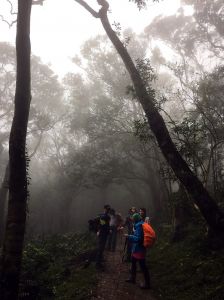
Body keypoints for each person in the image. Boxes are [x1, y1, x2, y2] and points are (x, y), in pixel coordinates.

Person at [124, 213, 150, 289]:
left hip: (139, 249)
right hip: (137, 249)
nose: (132, 221)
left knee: (143, 267)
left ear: (135, 219)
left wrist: (129, 236)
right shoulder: (141, 224)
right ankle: (132, 278)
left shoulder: (139, 226)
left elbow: (138, 238)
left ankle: (147, 284)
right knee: (133, 264)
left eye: (133, 219)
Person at [95, 204, 111, 270]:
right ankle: (98, 265)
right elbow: (103, 225)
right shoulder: (103, 216)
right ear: (104, 209)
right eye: (107, 209)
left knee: (101, 249)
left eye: (108, 209)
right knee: (100, 249)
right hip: (102, 234)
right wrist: (99, 231)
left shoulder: (103, 216)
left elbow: (103, 225)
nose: (108, 210)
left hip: (103, 234)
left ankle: (99, 263)